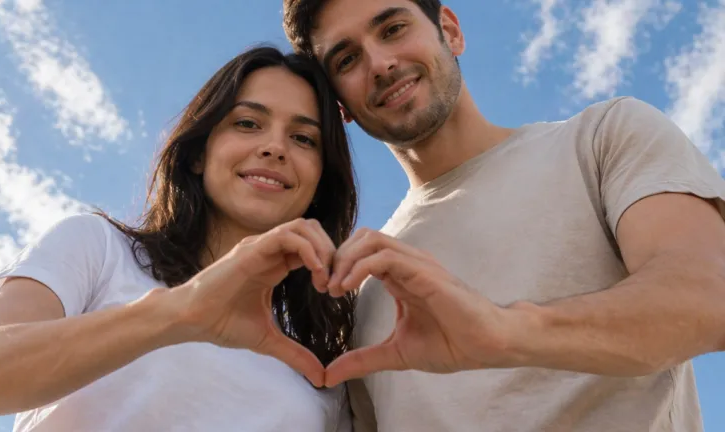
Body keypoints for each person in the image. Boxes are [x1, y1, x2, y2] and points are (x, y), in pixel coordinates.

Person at [282, 0, 725, 431]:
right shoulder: (362, 291)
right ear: (339, 106)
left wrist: (503, 331)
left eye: (393, 29)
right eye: (347, 59)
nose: (379, 63)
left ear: (450, 31)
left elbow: (709, 295)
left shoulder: (601, 140)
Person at [0, 46, 358, 432]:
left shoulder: (321, 367)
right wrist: (178, 313)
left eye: (304, 138)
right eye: (247, 123)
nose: (275, 147)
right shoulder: (97, 247)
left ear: (321, 181)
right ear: (199, 154)